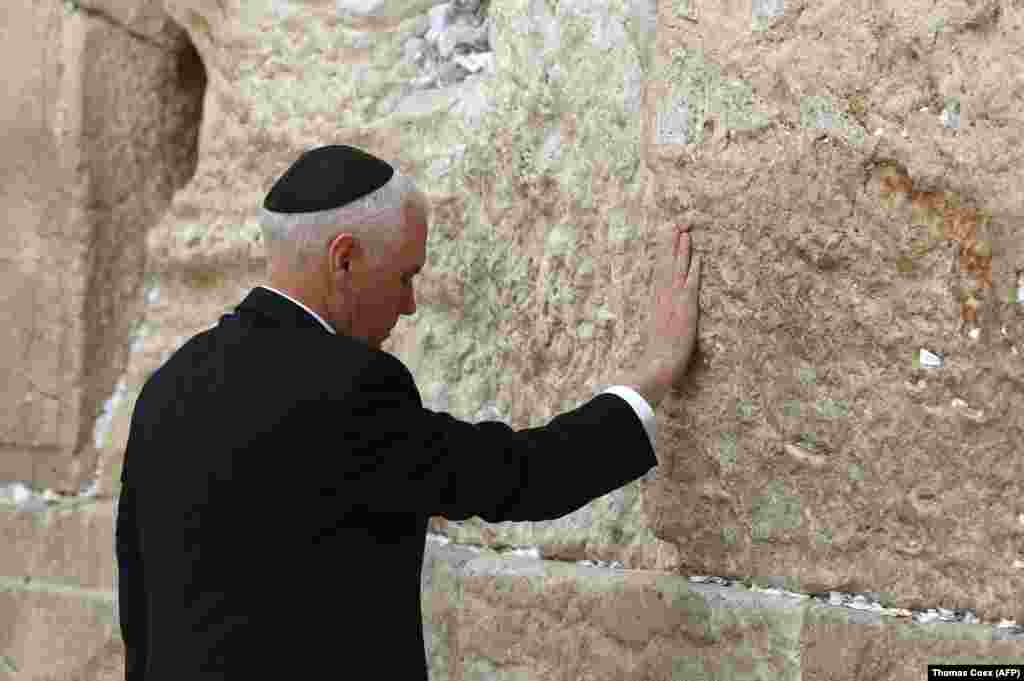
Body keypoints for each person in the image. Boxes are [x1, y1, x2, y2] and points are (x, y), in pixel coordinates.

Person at [114, 144, 702, 680]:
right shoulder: (351, 390)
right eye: (405, 276)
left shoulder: (169, 384)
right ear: (343, 259)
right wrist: (654, 371)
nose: (411, 304)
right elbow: (520, 477)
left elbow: (138, 608)